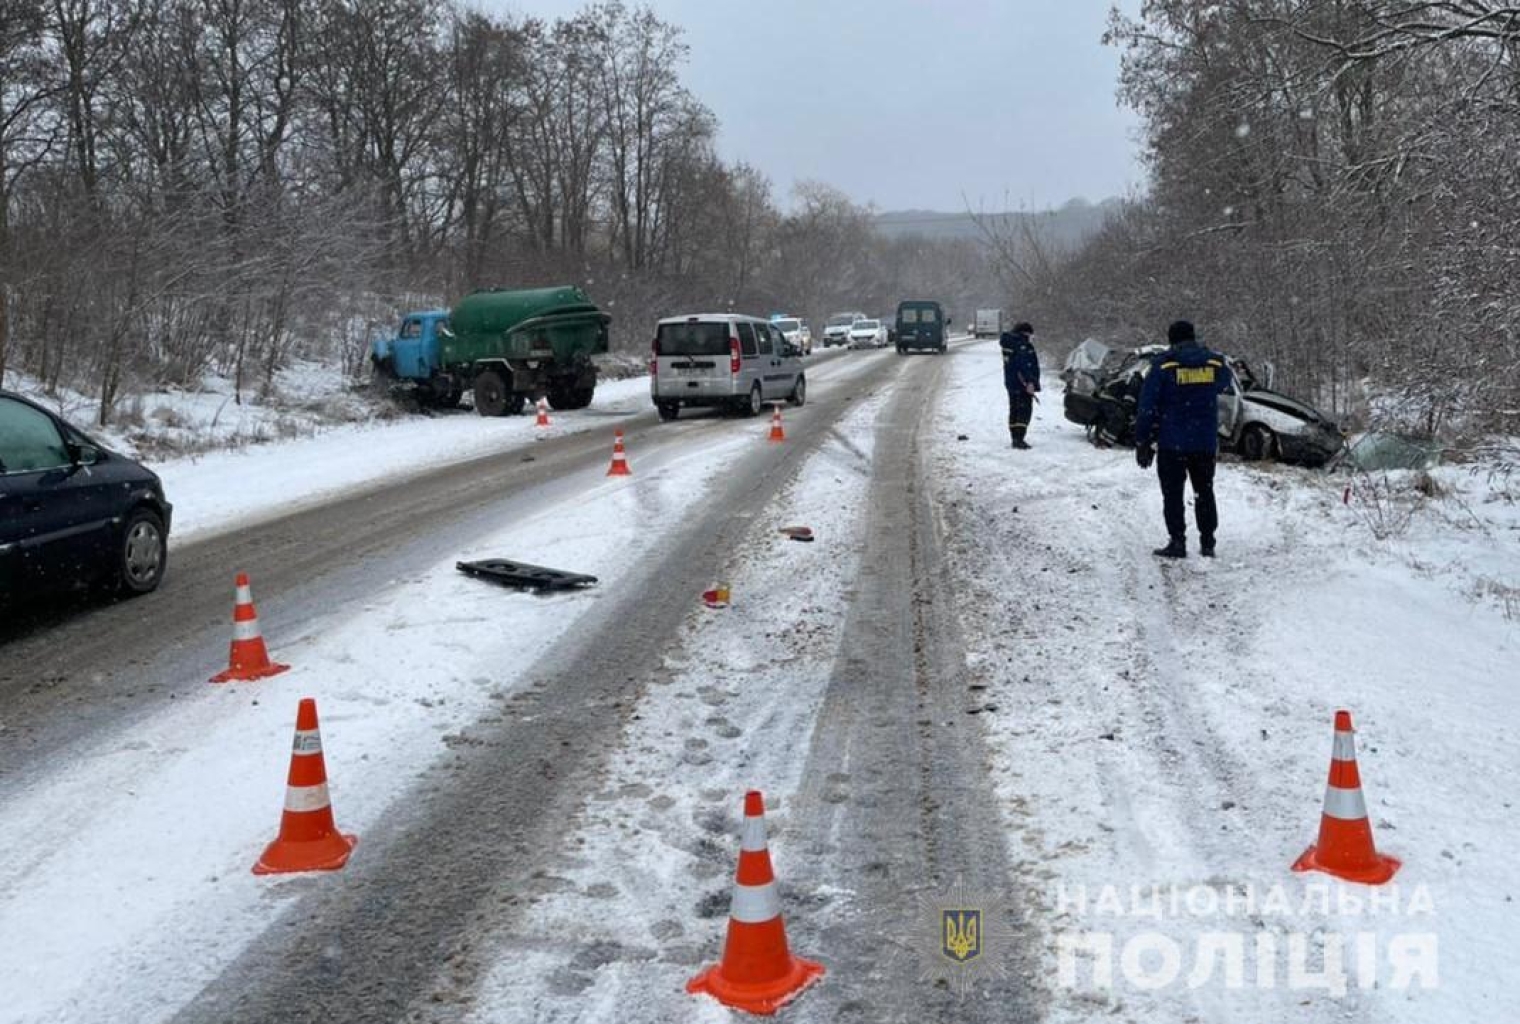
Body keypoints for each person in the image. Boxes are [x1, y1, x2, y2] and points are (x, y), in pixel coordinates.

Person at [1134, 320, 1233, 558]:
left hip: (1172, 442)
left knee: (1173, 494)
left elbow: (1146, 406)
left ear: (1171, 339)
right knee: (1204, 491)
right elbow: (1225, 382)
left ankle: (1177, 541)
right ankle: (1208, 543)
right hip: (1204, 441)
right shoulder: (1214, 362)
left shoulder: (1163, 365)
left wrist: (1142, 441)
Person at [1000, 323, 1040, 449]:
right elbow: (1024, 365)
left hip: (1011, 382)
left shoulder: (1009, 342)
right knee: (1024, 411)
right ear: (1025, 332)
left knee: (1014, 409)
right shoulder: (1021, 345)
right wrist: (1029, 382)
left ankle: (1015, 437)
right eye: (1030, 334)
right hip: (1022, 383)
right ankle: (1019, 439)